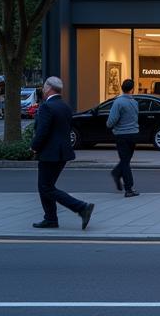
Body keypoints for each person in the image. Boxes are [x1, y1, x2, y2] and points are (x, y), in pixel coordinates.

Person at [30, 76, 95, 230]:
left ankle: (81, 207)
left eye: (44, 86)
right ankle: (51, 219)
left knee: (46, 187)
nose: (43, 89)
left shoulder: (47, 107)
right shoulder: (65, 106)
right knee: (46, 186)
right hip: (62, 153)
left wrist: (34, 146)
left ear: (48, 88)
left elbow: (42, 131)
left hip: (49, 153)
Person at [107, 77, 140, 198]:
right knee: (126, 160)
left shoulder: (118, 102)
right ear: (132, 89)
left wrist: (110, 125)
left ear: (122, 88)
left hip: (122, 135)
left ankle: (128, 188)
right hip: (134, 134)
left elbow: (111, 120)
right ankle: (117, 174)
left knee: (125, 162)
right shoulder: (135, 102)